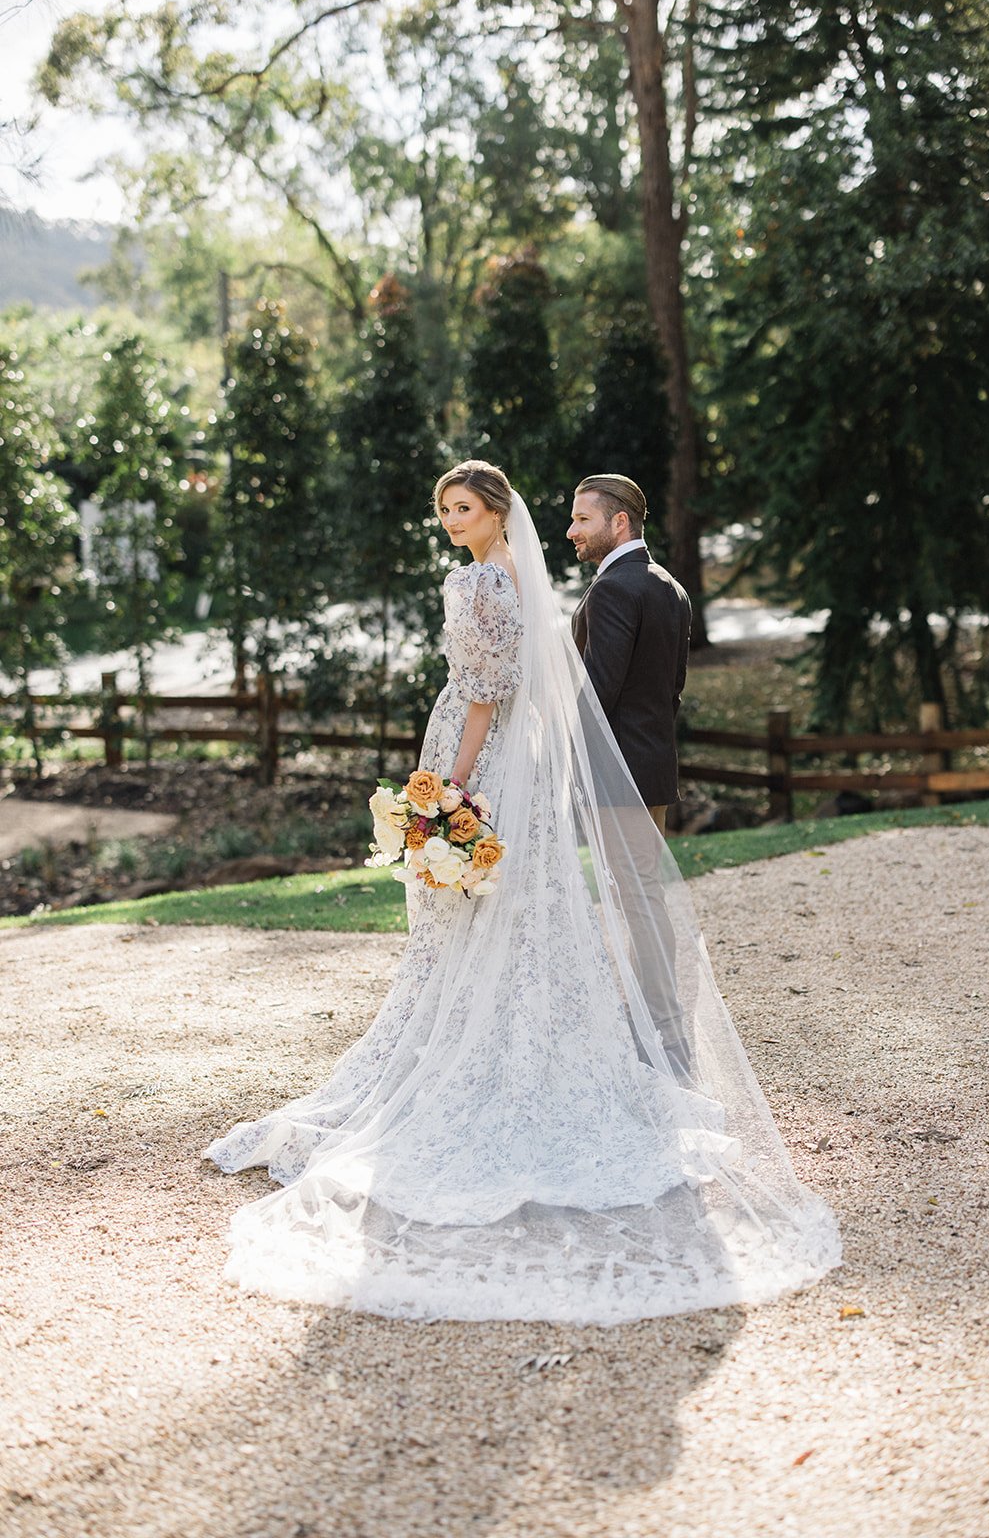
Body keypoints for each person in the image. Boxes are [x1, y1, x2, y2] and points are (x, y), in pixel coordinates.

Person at [204, 461, 840, 1323]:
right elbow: (622, 686)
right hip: (594, 764)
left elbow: (503, 694)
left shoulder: (483, 583)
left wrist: (450, 790)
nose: (448, 522)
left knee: (522, 903)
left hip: (497, 759)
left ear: (497, 511)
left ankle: (579, 1035)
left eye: (461, 508)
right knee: (571, 905)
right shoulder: (630, 584)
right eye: (443, 510)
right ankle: (626, 1033)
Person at [568, 475, 692, 1072]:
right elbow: (671, 690)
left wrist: (554, 751)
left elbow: (597, 692)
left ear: (619, 523)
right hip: (653, 768)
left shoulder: (615, 588)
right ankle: (660, 1024)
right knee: (643, 895)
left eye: (582, 519)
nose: (572, 531)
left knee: (636, 897)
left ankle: (664, 1034)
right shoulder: (669, 586)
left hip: (617, 775)